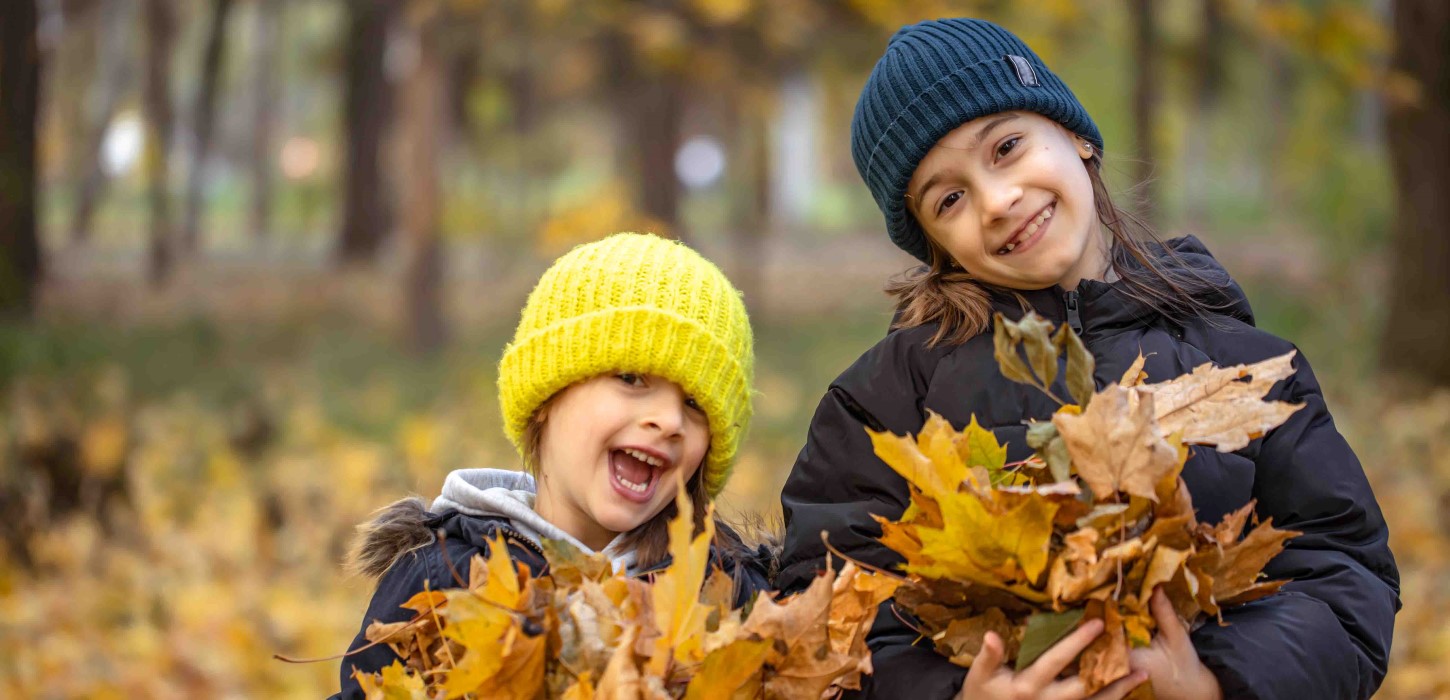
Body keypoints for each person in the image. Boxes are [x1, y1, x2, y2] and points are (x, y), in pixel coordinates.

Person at [777, 17, 1398, 700]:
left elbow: (1343, 575)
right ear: (933, 243)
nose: (998, 201)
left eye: (1007, 148)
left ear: (1074, 134)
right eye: (949, 198)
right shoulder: (886, 403)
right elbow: (826, 609)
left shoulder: (1245, 366)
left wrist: (1218, 680)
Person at [333, 232, 770, 699]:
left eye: (693, 403)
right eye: (630, 378)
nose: (667, 421)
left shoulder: (726, 595)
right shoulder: (441, 578)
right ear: (546, 398)